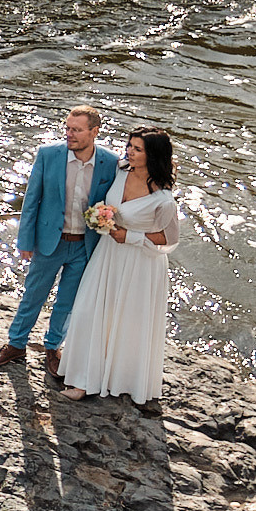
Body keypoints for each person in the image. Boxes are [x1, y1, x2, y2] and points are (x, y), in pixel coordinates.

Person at [0, 106, 120, 376]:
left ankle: (52, 348)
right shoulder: (48, 155)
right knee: (33, 295)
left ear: (94, 132)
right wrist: (25, 240)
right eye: (67, 128)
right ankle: (15, 344)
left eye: (77, 130)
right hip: (49, 242)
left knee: (67, 302)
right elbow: (31, 199)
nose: (69, 134)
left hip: (84, 245)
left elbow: (116, 201)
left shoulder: (110, 162)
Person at [59, 128, 182, 407]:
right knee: (89, 310)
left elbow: (170, 238)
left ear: (153, 156)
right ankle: (82, 379)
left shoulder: (164, 199)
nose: (129, 152)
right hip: (108, 255)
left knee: (128, 322)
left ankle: (124, 380)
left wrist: (132, 237)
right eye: (130, 146)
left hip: (141, 264)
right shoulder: (120, 171)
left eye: (137, 149)